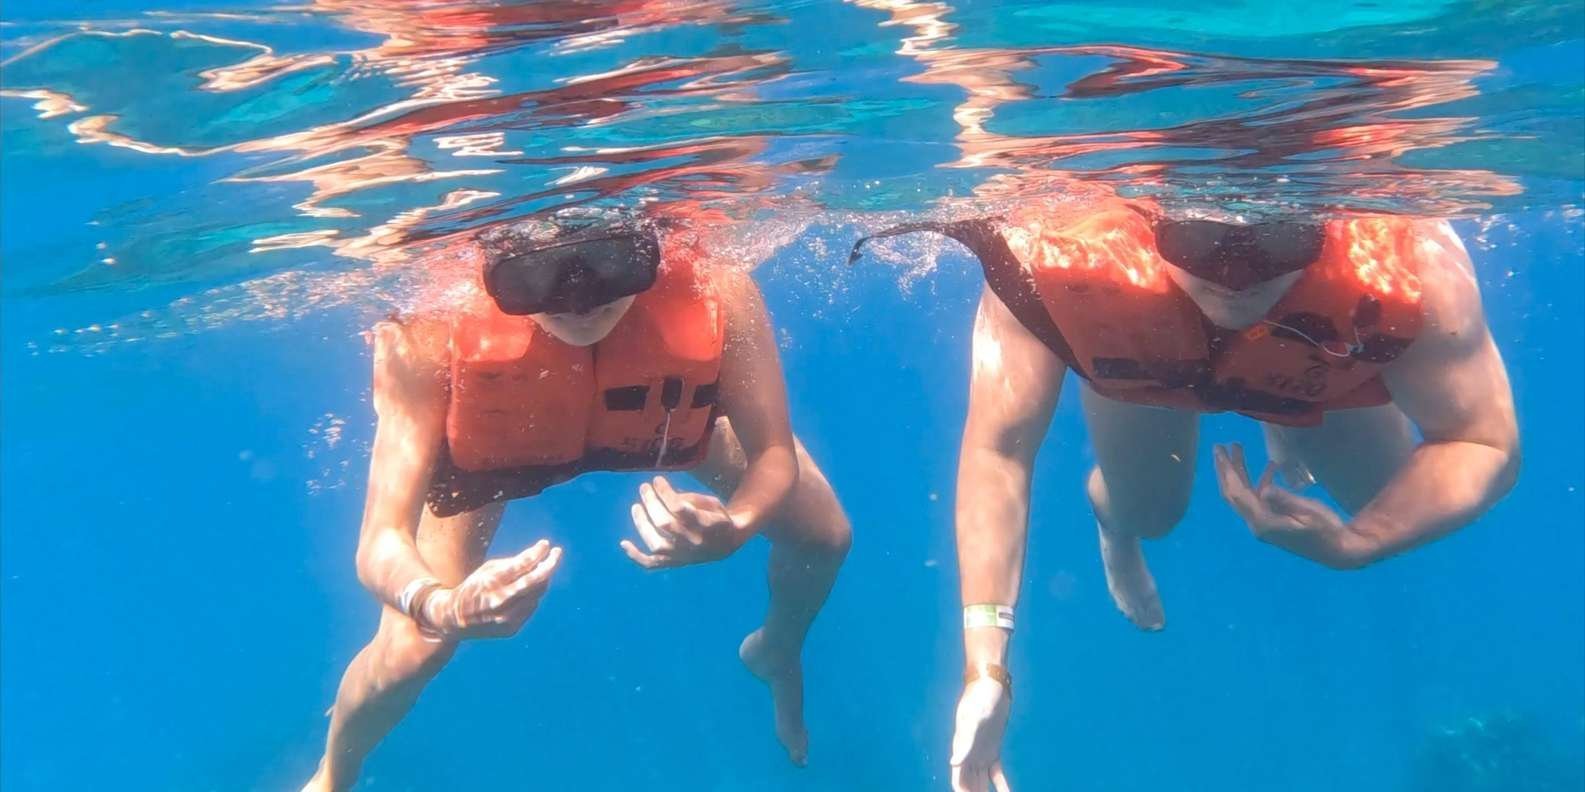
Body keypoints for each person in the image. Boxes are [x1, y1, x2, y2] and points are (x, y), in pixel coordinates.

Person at [852, 200, 1520, 792]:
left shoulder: (1408, 260)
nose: (1238, 275)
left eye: (1278, 237)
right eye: (1201, 240)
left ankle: (1281, 409)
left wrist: (1362, 540)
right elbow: (999, 451)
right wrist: (985, 668)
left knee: (1384, 495)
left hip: (1321, 351)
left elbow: (1482, 442)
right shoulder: (1057, 245)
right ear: (1151, 216)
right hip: (1145, 348)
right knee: (1151, 514)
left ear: (1327, 216)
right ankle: (1113, 515)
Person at [302, 209, 850, 791]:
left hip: (659, 415)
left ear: (651, 247)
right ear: (491, 265)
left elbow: (773, 455)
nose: (580, 297)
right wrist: (443, 607)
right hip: (500, 449)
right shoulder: (428, 330)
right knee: (416, 646)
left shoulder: (718, 288)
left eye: (611, 261)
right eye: (534, 274)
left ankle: (777, 649)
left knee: (825, 536)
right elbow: (380, 543)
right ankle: (334, 774)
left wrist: (738, 524)